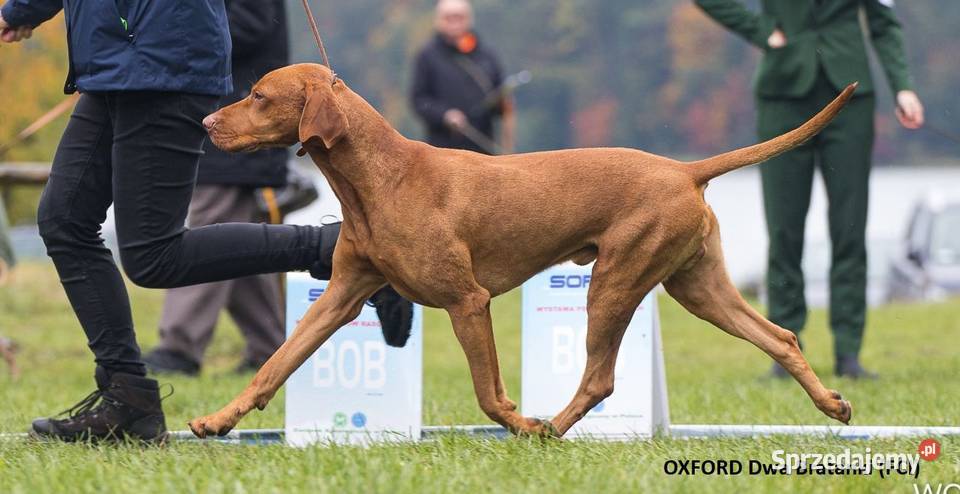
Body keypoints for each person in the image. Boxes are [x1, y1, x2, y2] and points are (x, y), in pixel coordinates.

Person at [0, 0, 411, 443]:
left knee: (154, 256)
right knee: (64, 221)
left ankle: (336, 249)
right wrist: (25, 9)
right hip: (110, 61)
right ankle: (128, 398)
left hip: (164, 60)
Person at [695, 0, 925, 379]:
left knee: (850, 229)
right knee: (784, 231)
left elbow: (885, 24)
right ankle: (785, 351)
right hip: (783, 96)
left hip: (851, 98)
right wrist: (760, 31)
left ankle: (849, 353)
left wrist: (903, 87)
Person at [142, 0, 292, 376]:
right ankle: (271, 348)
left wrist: (161, 37)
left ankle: (179, 346)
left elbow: (243, 28)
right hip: (227, 129)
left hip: (235, 133)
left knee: (208, 229)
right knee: (241, 247)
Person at [411, 0, 512, 154]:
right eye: (448, 18)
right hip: (443, 150)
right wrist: (445, 115)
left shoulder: (487, 55)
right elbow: (419, 100)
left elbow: (500, 96)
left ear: (469, 19)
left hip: (483, 150)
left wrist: (502, 103)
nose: (454, 23)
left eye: (459, 17)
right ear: (438, 20)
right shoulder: (427, 56)